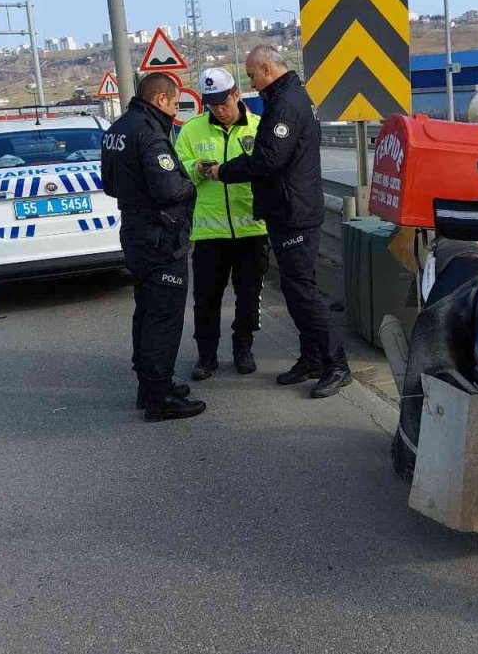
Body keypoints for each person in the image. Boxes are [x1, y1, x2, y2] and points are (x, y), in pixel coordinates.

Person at [204, 45, 351, 399]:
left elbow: (268, 159)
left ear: (267, 68)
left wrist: (224, 170)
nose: (251, 82)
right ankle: (313, 358)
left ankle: (337, 365)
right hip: (288, 209)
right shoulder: (286, 98)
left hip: (294, 213)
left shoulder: (286, 104)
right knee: (297, 291)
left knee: (304, 292)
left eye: (252, 74)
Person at [101, 73, 206, 421]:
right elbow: (168, 188)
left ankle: (150, 387)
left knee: (146, 311)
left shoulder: (117, 129)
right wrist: (190, 186)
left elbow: (110, 185)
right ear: (161, 99)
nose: (177, 110)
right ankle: (160, 398)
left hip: (134, 231)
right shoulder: (149, 133)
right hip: (160, 238)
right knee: (163, 316)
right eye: (175, 104)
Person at [174, 68, 269, 382]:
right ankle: (206, 357)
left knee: (248, 296)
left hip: (251, 231)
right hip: (209, 233)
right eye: (211, 103)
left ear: (237, 95)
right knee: (206, 299)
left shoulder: (259, 127)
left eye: (223, 101)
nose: (218, 108)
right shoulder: (191, 130)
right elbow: (175, 172)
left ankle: (243, 348)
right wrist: (196, 168)